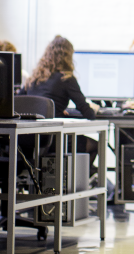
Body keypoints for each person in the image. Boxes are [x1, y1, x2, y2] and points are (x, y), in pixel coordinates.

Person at [20, 36, 100, 166]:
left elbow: (19, 103)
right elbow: (88, 113)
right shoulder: (66, 78)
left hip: (29, 141)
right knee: (96, 145)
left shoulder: (33, 79)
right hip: (56, 140)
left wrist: (58, 110)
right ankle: (76, 183)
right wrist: (93, 109)